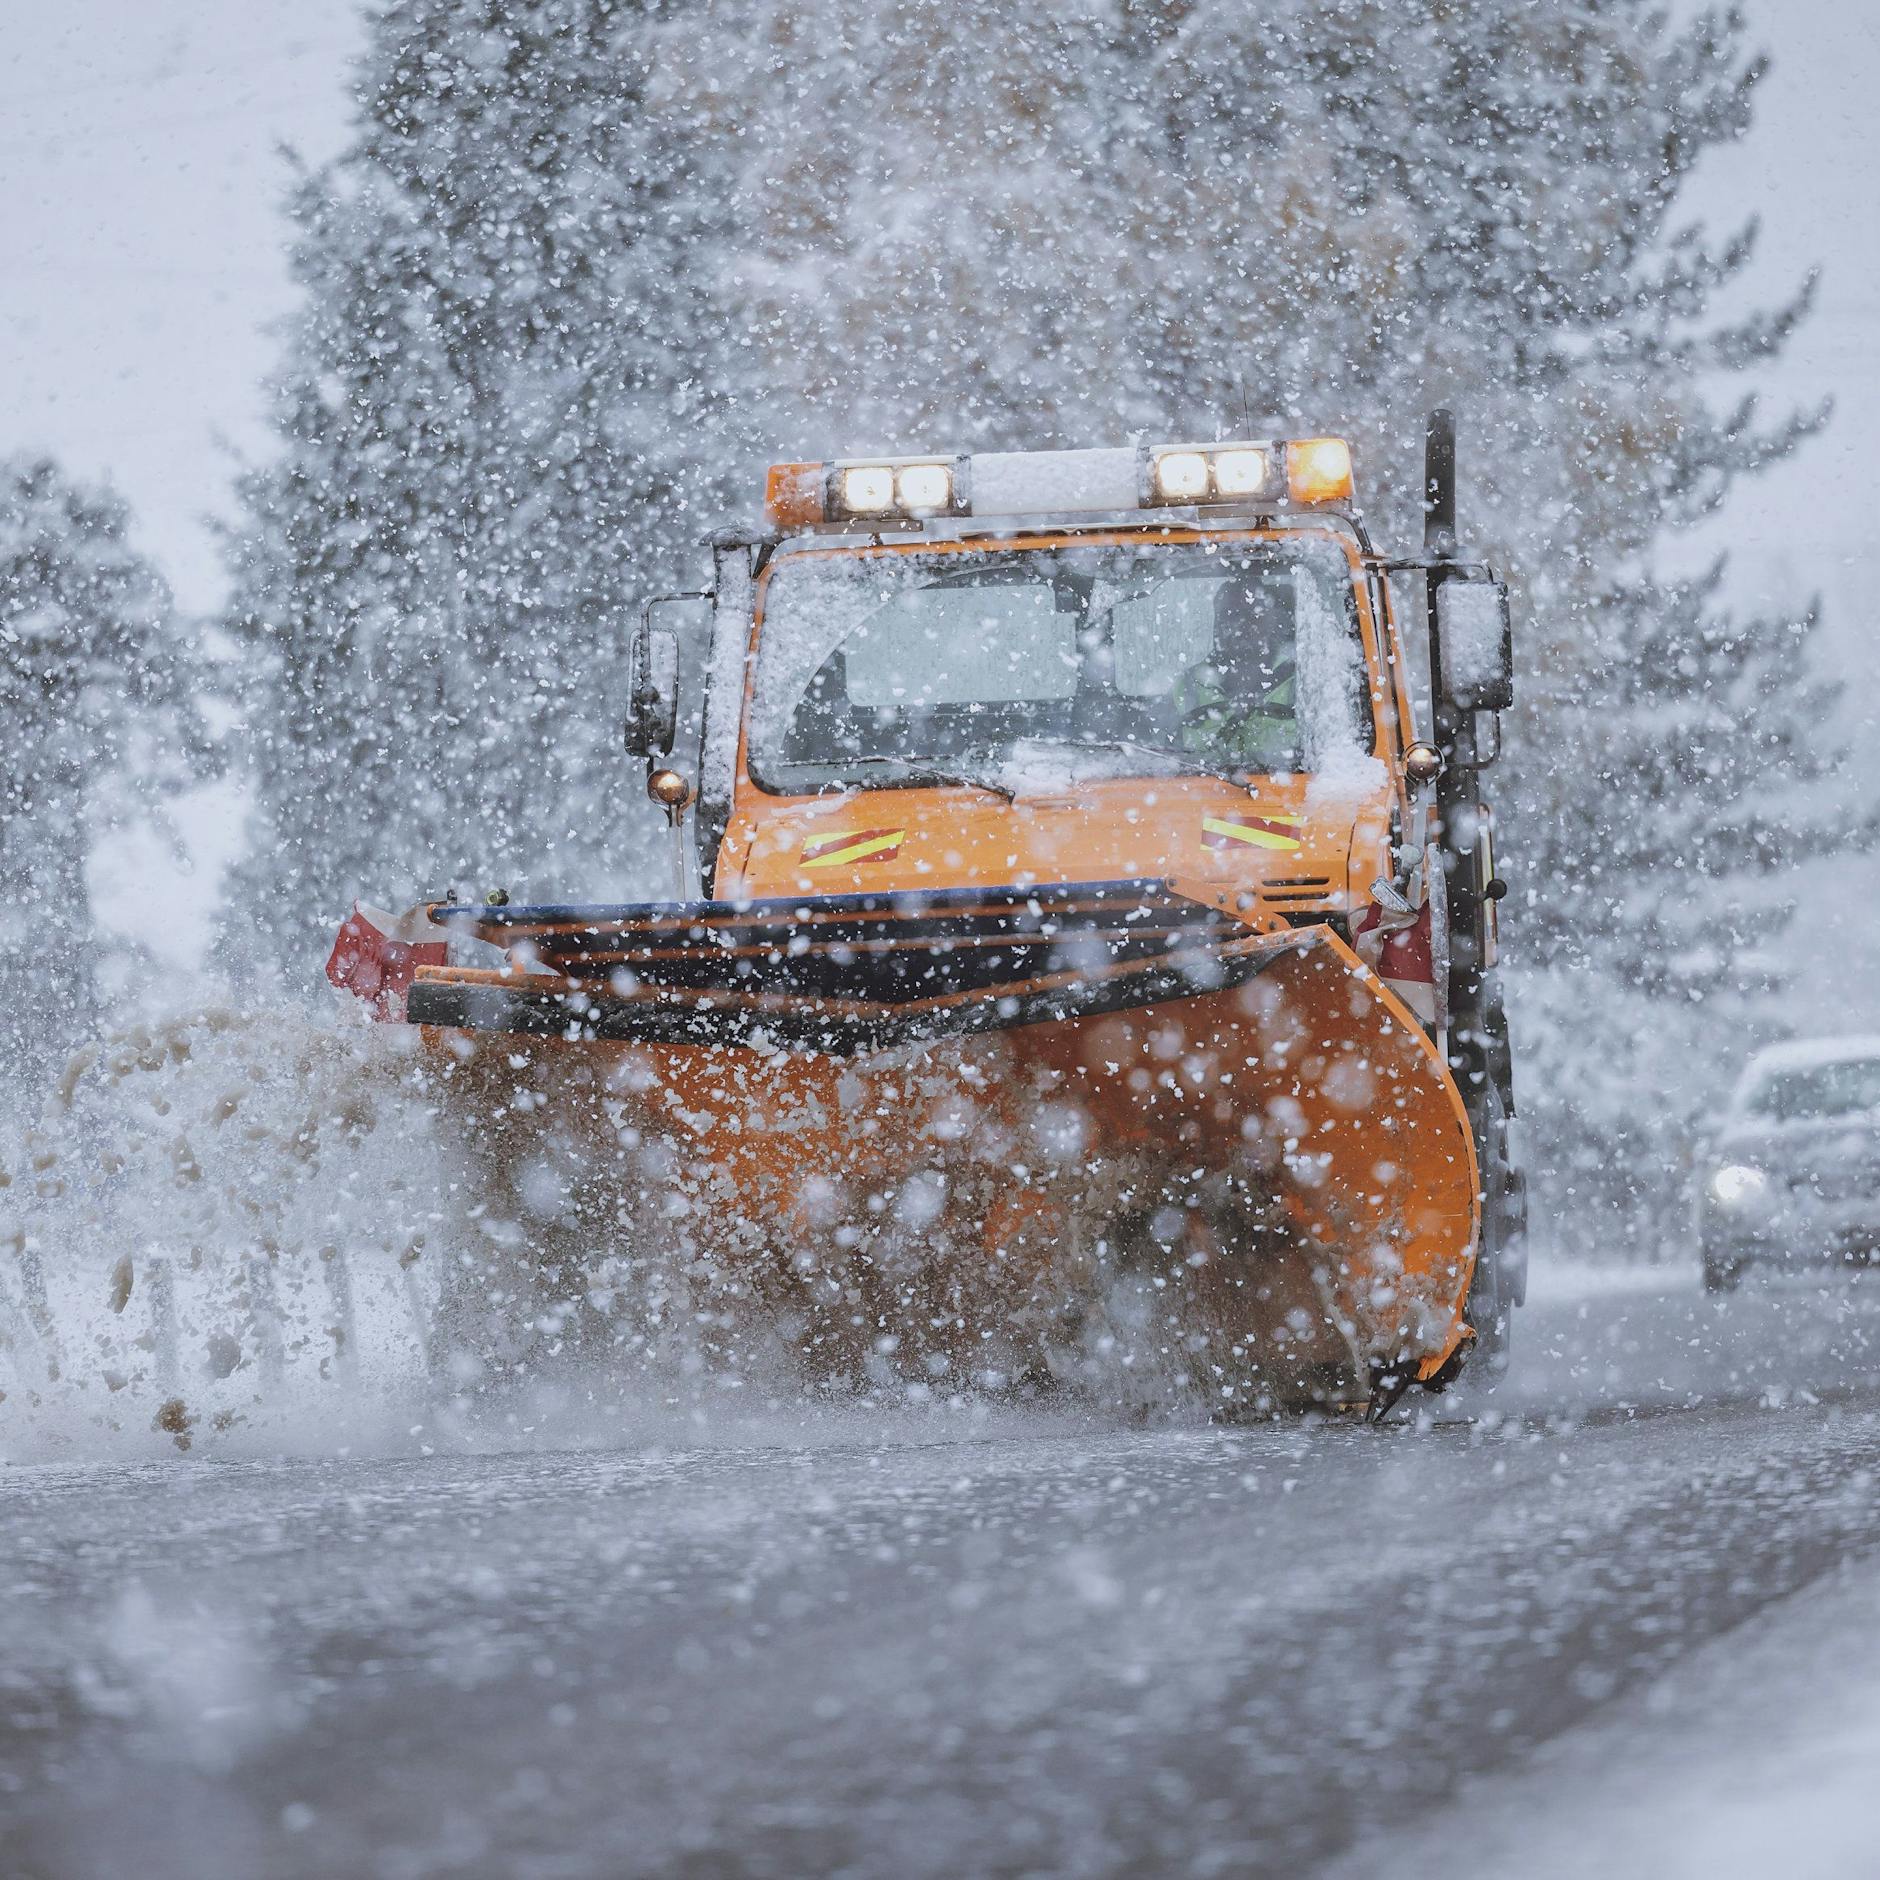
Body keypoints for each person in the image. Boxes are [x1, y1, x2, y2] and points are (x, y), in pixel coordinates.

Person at [1172, 565, 1298, 764]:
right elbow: (1160, 756)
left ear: (1271, 619)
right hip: (1200, 791)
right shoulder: (1188, 685)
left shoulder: (1303, 682)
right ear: (1217, 624)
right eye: (1231, 616)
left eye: (1252, 615)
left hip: (1290, 792)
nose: (1242, 626)